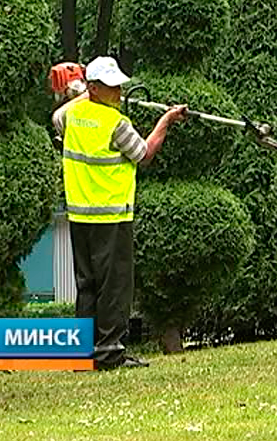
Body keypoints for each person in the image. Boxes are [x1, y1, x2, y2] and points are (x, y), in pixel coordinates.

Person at [52, 56, 187, 369]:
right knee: (114, 287)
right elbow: (144, 154)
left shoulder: (73, 115)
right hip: (111, 217)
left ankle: (80, 354)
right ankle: (110, 353)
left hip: (80, 216)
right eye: (111, 86)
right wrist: (165, 121)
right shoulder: (117, 124)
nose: (118, 92)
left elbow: (57, 115)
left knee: (87, 286)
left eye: (119, 85)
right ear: (95, 88)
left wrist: (83, 93)